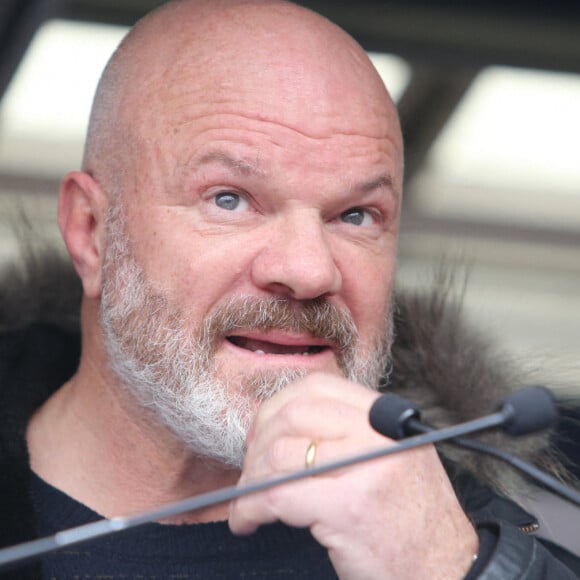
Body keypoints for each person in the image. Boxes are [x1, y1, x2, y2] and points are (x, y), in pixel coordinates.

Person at [0, 0, 578, 578]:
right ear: (91, 232)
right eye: (229, 199)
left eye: (356, 215)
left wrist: (453, 566)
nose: (309, 271)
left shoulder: (462, 543)